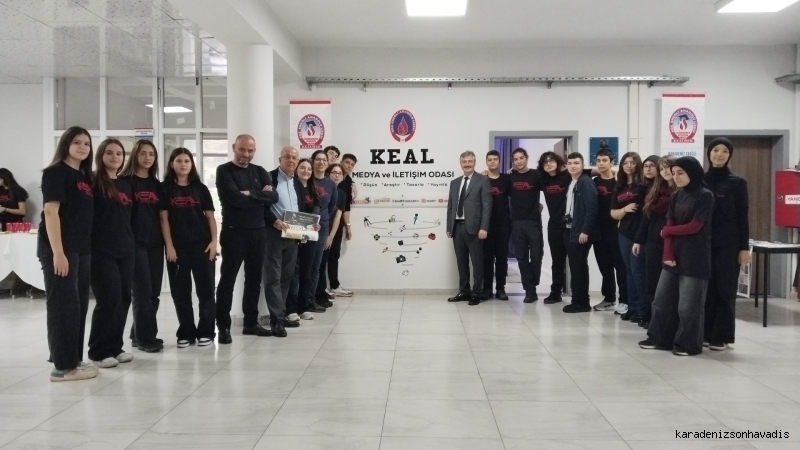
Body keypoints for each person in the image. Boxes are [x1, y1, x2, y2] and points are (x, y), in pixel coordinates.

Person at [39, 127, 98, 382]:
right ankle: (62, 368)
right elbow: (50, 212)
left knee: (78, 307)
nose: (83, 147)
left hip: (81, 249)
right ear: (66, 144)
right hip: (61, 250)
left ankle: (73, 360)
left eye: (86, 143)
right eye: (77, 142)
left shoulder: (83, 176)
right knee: (63, 307)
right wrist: (58, 253)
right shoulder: (55, 172)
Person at [640, 156, 714, 356]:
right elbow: (669, 224)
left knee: (688, 306)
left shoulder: (705, 195)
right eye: (673, 173)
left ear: (692, 172)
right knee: (661, 301)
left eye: (680, 173)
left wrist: (668, 232)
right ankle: (659, 338)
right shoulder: (676, 196)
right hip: (673, 257)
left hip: (695, 257)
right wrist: (667, 254)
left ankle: (688, 344)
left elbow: (695, 226)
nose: (676, 177)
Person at [215, 134, 277, 344]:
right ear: (234, 147)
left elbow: (273, 197)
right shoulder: (224, 171)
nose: (246, 154)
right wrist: (259, 195)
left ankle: (251, 323)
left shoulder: (260, 171)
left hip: (258, 232)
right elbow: (235, 200)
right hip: (234, 232)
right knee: (228, 280)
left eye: (250, 150)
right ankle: (223, 327)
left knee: (253, 280)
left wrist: (249, 193)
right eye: (242, 149)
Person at [160, 148, 217, 348]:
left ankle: (207, 331)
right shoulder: (165, 188)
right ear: (172, 164)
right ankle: (186, 332)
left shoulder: (200, 188)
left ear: (192, 164)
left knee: (206, 291)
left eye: (187, 161)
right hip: (178, 248)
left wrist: (214, 241)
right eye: (179, 161)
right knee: (180, 293)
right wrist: (169, 246)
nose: (183, 164)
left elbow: (210, 217)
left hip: (203, 246)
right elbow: (164, 219)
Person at [87, 139, 135, 368]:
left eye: (119, 153)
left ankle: (115, 346)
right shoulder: (92, 181)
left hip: (125, 249)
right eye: (109, 153)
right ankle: (98, 351)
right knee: (109, 299)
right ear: (101, 155)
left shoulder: (125, 184)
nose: (115, 157)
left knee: (124, 298)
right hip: (100, 250)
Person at [704, 138, 750, 351]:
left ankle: (721, 336)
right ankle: (705, 332)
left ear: (729, 155)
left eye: (724, 151)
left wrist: (744, 248)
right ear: (709, 153)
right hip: (703, 244)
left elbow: (743, 217)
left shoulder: (737, 183)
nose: (719, 154)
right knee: (706, 289)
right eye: (715, 150)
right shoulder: (700, 180)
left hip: (728, 245)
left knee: (725, 289)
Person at [119, 140, 165, 353]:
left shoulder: (157, 185)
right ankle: (147, 338)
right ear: (135, 156)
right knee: (142, 292)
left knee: (154, 292)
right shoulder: (124, 182)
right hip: (134, 244)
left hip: (155, 244)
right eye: (143, 153)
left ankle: (137, 333)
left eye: (151, 154)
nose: (147, 158)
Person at [263, 146, 303, 338]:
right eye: (287, 157)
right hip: (273, 234)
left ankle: (282, 313)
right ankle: (276, 320)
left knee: (287, 276)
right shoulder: (269, 178)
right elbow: (261, 205)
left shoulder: (297, 183)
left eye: (294, 158)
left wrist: (309, 227)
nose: (291, 160)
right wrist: (273, 221)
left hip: (292, 236)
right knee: (273, 277)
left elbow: (299, 208)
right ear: (280, 159)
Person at [633, 155, 676, 329]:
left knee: (668, 286)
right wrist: (638, 240)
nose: (665, 171)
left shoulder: (681, 191)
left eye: (668, 167)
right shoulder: (656, 190)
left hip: (671, 244)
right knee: (652, 282)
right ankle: (653, 319)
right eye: (662, 168)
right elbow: (646, 217)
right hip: (652, 241)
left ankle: (666, 323)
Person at [446, 151, 491, 306]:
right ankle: (464, 291)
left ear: (474, 162)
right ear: (461, 164)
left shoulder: (483, 180)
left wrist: (484, 227)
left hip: (475, 229)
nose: (467, 164)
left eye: (470, 161)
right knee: (461, 262)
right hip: (457, 228)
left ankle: (476, 293)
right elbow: (451, 207)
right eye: (464, 162)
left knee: (477, 262)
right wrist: (449, 226)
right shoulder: (454, 183)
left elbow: (487, 206)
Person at [610, 152, 647, 323]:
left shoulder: (644, 185)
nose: (629, 165)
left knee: (638, 272)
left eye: (632, 162)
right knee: (629, 271)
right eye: (626, 162)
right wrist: (625, 209)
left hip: (639, 234)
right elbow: (613, 213)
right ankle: (632, 307)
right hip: (624, 233)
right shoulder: (620, 186)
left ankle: (642, 310)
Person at [286, 159, 322, 322]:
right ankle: (291, 309)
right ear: (297, 169)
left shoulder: (314, 189)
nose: (306, 171)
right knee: (292, 272)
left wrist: (316, 224)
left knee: (306, 272)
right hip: (293, 233)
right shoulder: (291, 186)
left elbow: (316, 211)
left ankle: (304, 307)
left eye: (309, 169)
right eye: (302, 168)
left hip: (310, 235)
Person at [591, 149, 627, 312]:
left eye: (605, 160)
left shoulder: (620, 182)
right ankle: (609, 299)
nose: (601, 163)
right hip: (599, 230)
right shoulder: (593, 182)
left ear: (612, 163)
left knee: (621, 266)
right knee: (605, 266)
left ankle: (625, 300)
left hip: (616, 230)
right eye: (599, 160)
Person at [562, 153, 599, 313]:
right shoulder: (573, 182)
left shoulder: (586, 182)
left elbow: (592, 209)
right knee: (575, 266)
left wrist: (585, 230)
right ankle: (577, 300)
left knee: (579, 268)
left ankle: (581, 302)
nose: (573, 166)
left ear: (583, 165)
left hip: (580, 232)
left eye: (576, 163)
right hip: (571, 229)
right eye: (570, 163)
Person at [509, 148, 544, 303]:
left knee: (537, 256)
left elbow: (550, 188)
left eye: (521, 158)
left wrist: (540, 205)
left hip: (534, 221)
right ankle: (530, 290)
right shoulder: (511, 176)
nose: (519, 161)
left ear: (527, 158)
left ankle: (532, 284)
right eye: (516, 159)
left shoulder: (536, 175)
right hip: (517, 222)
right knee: (522, 258)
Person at [321, 153, 357, 299]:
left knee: (333, 255)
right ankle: (320, 291)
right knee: (321, 258)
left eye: (352, 164)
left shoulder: (346, 185)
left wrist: (347, 225)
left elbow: (344, 208)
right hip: (322, 226)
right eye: (347, 162)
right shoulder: (323, 186)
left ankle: (334, 286)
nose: (349, 166)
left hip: (337, 224)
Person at [307, 150, 338, 311]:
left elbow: (331, 206)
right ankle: (301, 301)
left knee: (316, 266)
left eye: (324, 160)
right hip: (304, 226)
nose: (321, 162)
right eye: (318, 159)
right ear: (312, 161)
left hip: (322, 227)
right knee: (303, 265)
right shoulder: (306, 179)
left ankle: (311, 300)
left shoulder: (330, 184)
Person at [315, 163, 347, 310]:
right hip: (317, 228)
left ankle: (321, 293)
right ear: (328, 174)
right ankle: (317, 294)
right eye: (334, 172)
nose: (336, 175)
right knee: (317, 265)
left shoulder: (341, 193)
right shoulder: (320, 188)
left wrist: (331, 236)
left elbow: (337, 217)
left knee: (322, 264)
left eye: (339, 173)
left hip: (329, 231)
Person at [483, 150, 511, 300]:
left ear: (499, 161)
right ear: (486, 162)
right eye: (490, 159)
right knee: (487, 259)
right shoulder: (482, 179)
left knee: (502, 259)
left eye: (495, 159)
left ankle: (501, 288)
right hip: (486, 226)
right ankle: (487, 289)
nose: (492, 162)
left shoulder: (506, 179)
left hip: (503, 225)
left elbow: (519, 196)